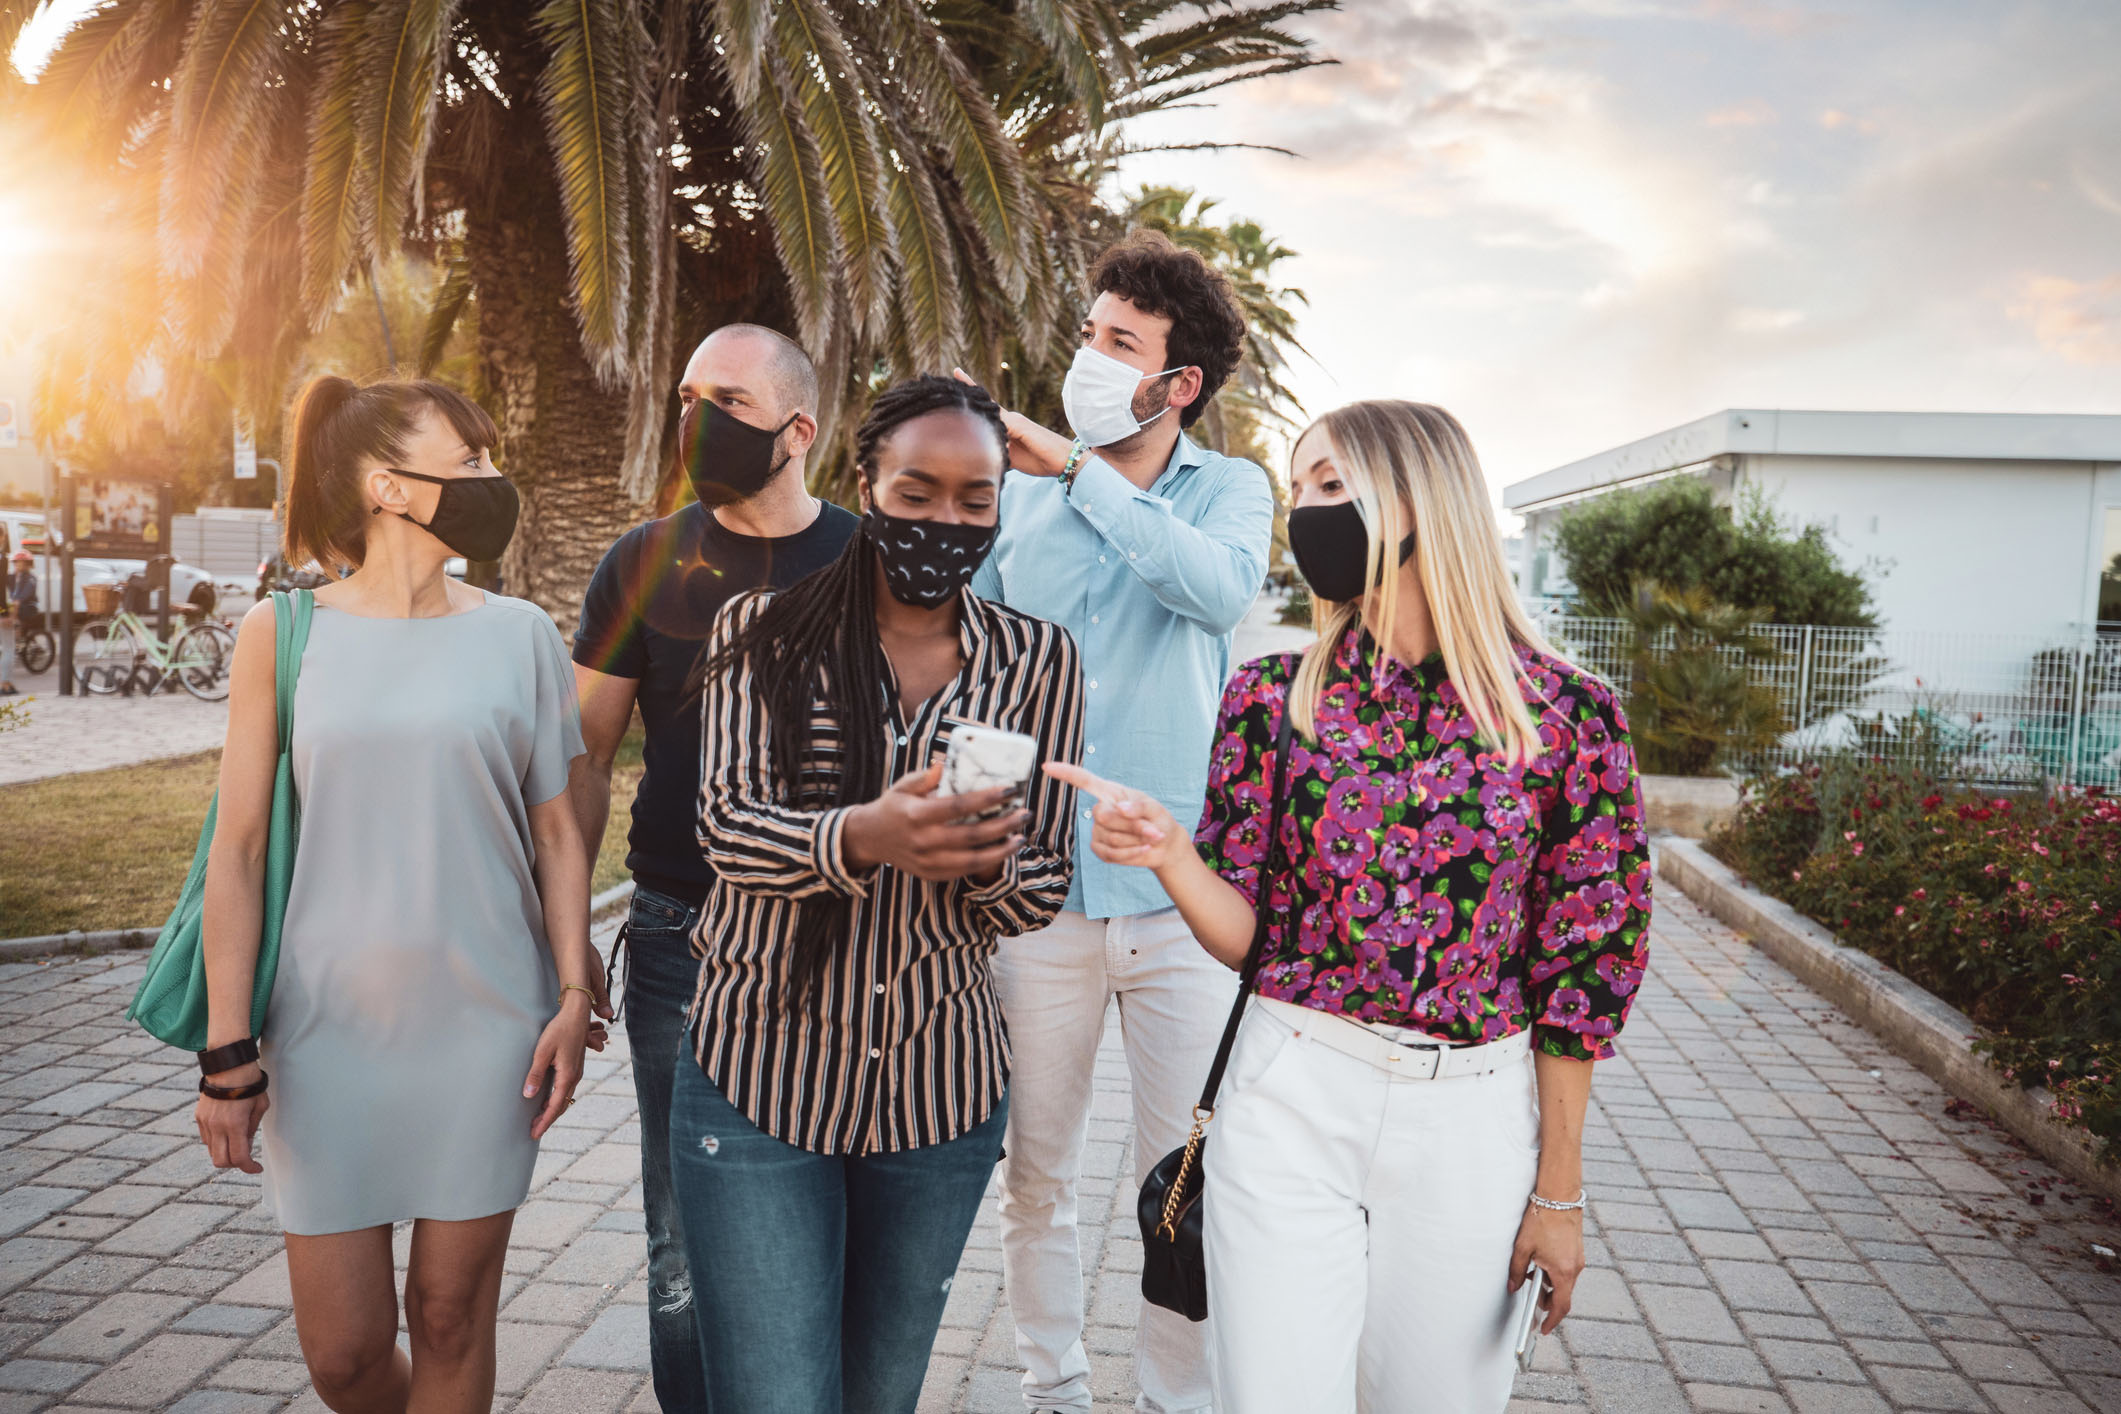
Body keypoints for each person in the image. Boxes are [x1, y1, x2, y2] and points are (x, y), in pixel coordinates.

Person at [1049, 400, 1653, 1413]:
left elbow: (1582, 974)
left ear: (1423, 499)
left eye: (1332, 485)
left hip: (1472, 1112)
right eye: (1300, 491)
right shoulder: (1271, 697)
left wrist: (1560, 1190)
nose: (1307, 512)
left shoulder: (1566, 715)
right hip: (1292, 1087)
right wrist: (1167, 856)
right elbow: (1253, 940)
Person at [672, 375, 1085, 1413]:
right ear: (866, 484)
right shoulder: (761, 631)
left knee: (877, 1398)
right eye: (917, 491)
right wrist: (869, 833)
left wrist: (985, 861)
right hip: (760, 1075)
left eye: (975, 499)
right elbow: (725, 826)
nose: (947, 519)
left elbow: (1043, 884)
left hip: (935, 1098)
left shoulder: (1039, 661)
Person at [194, 376, 604, 1414]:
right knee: (343, 1356)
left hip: (487, 1028)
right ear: (388, 485)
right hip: (324, 1034)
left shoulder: (520, 635)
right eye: (466, 462)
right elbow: (236, 853)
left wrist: (568, 989)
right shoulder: (280, 636)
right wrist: (227, 1051)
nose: (490, 479)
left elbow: (557, 828)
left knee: (454, 1317)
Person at [963, 229, 1274, 1414]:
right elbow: (971, 666)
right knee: (1036, 1172)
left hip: (1178, 905)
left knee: (1184, 1175)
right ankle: (1052, 1384)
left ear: (1177, 382)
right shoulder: (1016, 504)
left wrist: (1082, 476)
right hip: (1035, 898)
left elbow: (1214, 591)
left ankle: (1172, 1399)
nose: (1087, 359)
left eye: (1119, 344)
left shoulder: (1229, 492)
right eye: (1089, 334)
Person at [569, 323, 858, 1411]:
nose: (697, 418)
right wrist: (567, 945)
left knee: (835, 1210)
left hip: (840, 938)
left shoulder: (869, 561)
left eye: (726, 399)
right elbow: (581, 767)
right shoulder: (645, 561)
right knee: (683, 1235)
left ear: (797, 430)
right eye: (687, 393)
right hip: (681, 937)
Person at [1, 548, 31, 695]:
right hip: (4, 611)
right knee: (8, 648)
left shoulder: (28, 578)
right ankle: (4, 684)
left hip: (18, 607)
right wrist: (5, 613)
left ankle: (6, 681)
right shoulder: (3, 559)